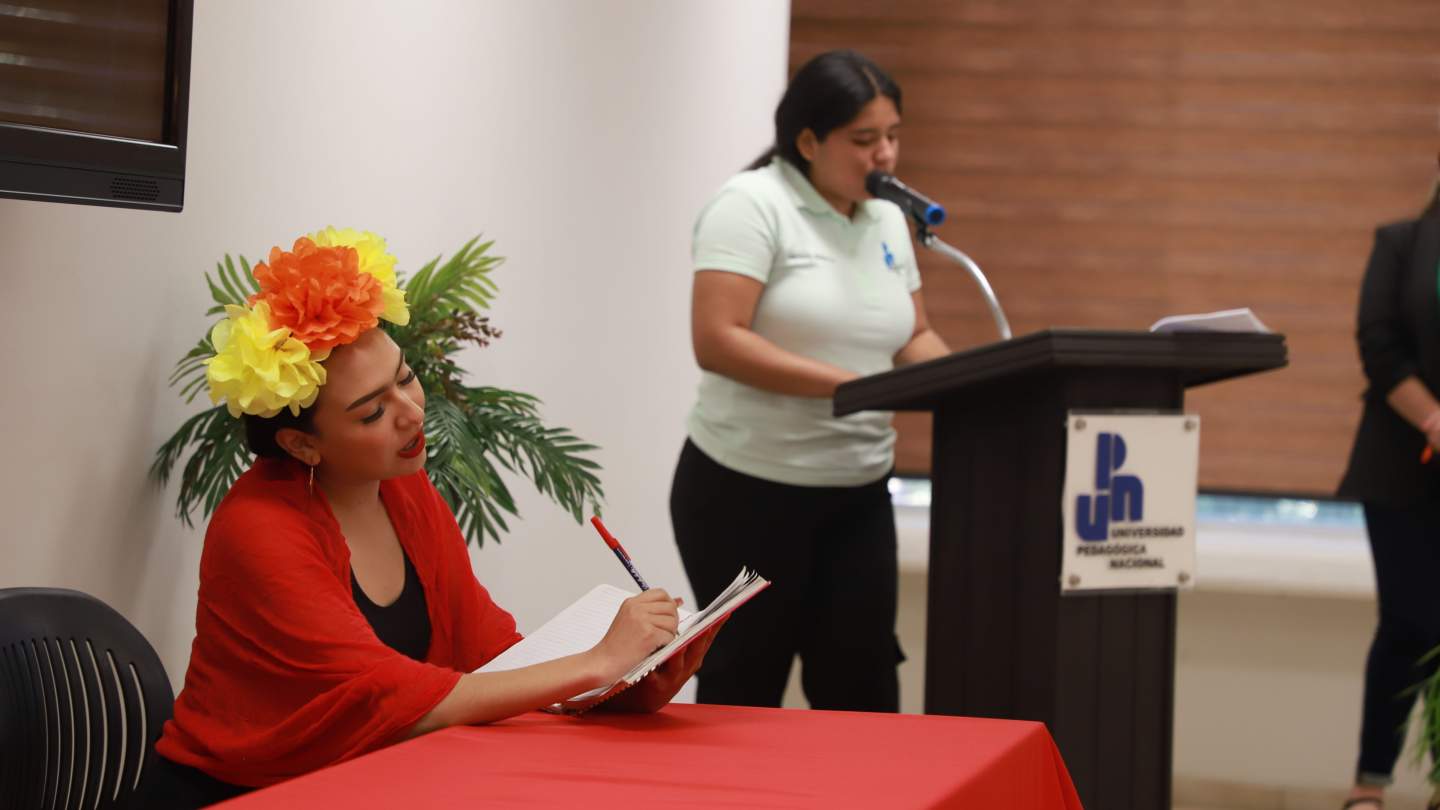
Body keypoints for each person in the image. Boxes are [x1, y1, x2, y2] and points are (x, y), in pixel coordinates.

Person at [147, 230, 716, 808]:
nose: (412, 412)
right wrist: (595, 662)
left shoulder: (403, 488)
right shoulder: (260, 528)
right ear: (301, 444)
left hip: (372, 781)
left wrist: (619, 685)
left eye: (404, 378)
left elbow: (488, 649)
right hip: (245, 795)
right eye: (373, 412)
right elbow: (390, 697)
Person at [669, 50, 950, 712]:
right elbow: (718, 339)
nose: (885, 154)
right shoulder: (752, 205)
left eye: (893, 135)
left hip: (857, 489)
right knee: (744, 687)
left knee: (863, 689)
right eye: (864, 139)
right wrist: (851, 387)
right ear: (807, 141)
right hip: (746, 491)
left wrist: (976, 383)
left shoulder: (886, 217)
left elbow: (912, 333)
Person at [1337, 160, 1440, 809]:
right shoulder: (1402, 242)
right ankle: (1368, 786)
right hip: (1401, 464)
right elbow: (1378, 344)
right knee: (1411, 622)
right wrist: (1433, 418)